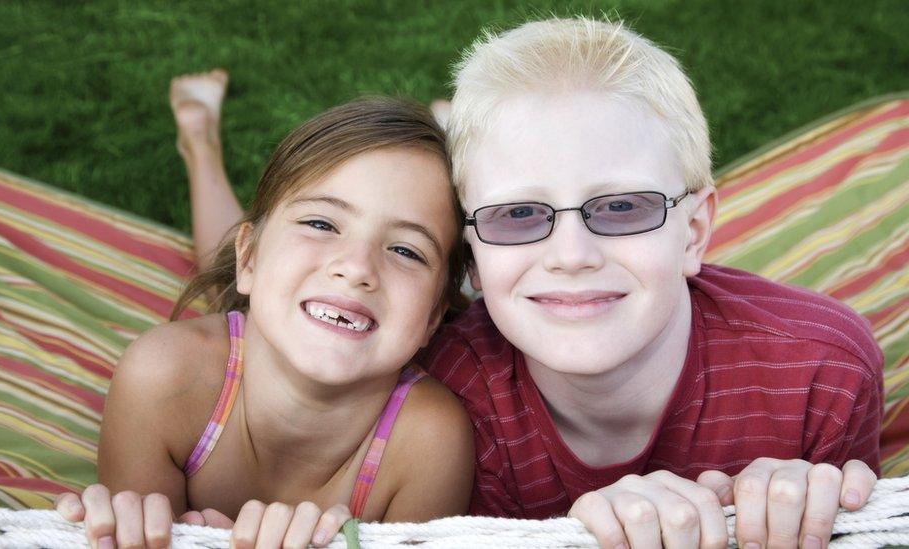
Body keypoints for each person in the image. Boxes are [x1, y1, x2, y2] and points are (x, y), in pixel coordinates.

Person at [418, 16, 883, 549]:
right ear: (470, 256)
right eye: (518, 213)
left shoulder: (822, 375)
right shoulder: (450, 394)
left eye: (622, 207)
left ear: (694, 232)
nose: (572, 256)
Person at [55, 89, 475, 549]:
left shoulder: (430, 443)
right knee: (223, 278)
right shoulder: (165, 377)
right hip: (237, 345)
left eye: (405, 250)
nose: (356, 268)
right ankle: (200, 146)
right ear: (249, 258)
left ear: (435, 316)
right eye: (321, 224)